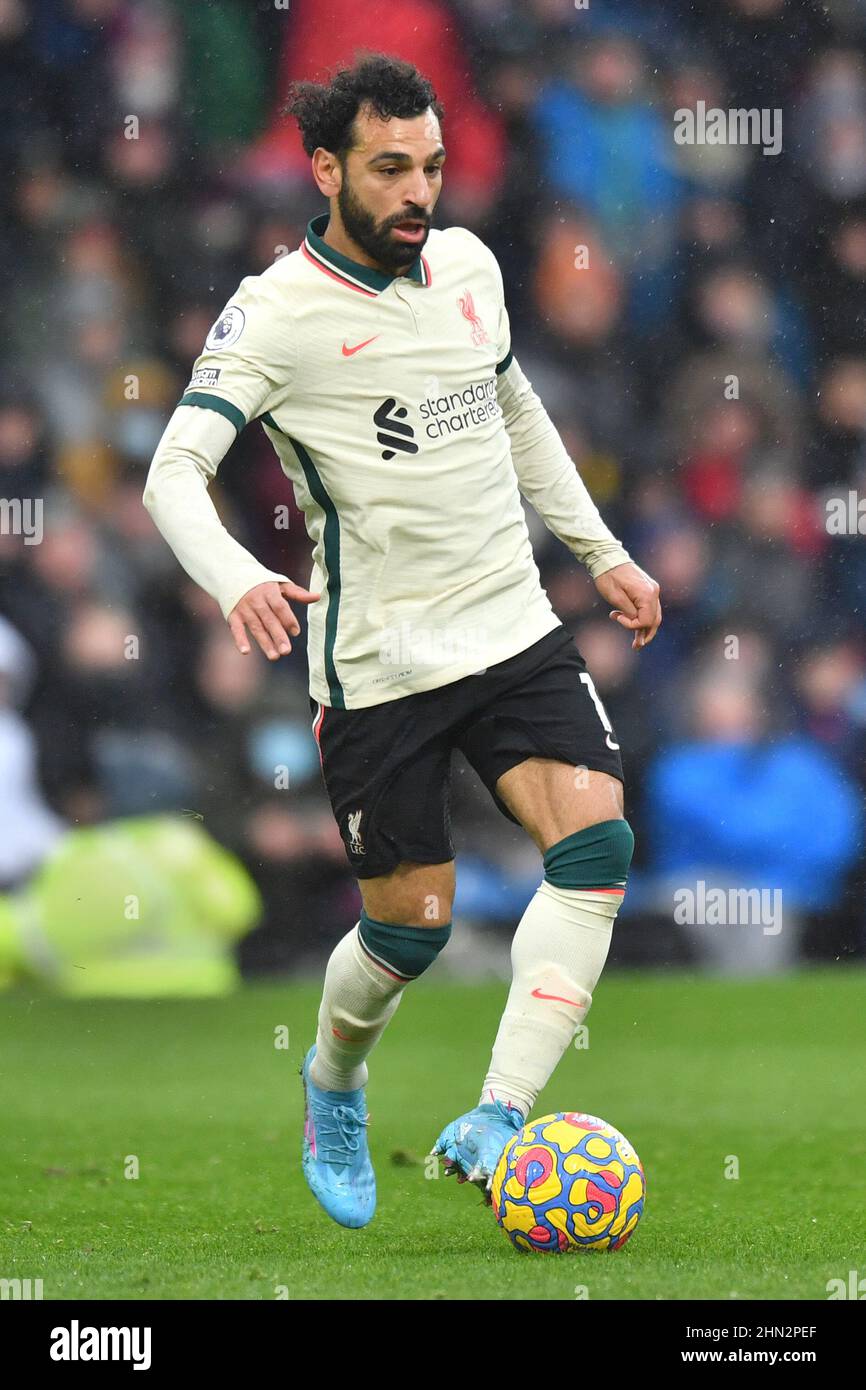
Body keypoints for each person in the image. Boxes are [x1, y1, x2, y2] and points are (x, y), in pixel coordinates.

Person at [142, 53, 662, 1230]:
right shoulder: (274, 313)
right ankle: (332, 1079)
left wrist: (600, 553)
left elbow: (514, 407)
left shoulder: (470, 266)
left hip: (512, 627)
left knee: (593, 848)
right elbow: (172, 473)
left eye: (429, 164)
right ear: (325, 169)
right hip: (380, 663)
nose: (417, 190)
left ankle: (499, 1112)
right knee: (408, 931)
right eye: (389, 168)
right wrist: (235, 576)